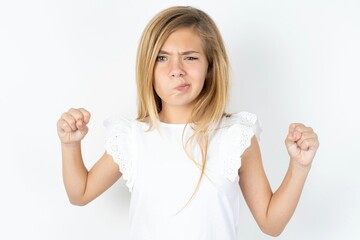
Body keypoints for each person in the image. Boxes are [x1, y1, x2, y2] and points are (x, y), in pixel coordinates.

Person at [56, 6, 319, 240]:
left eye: (190, 57)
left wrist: (299, 166)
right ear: (147, 68)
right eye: (162, 57)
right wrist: (70, 145)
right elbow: (80, 194)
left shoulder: (235, 137)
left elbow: (271, 224)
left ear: (210, 66)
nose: (176, 69)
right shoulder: (132, 138)